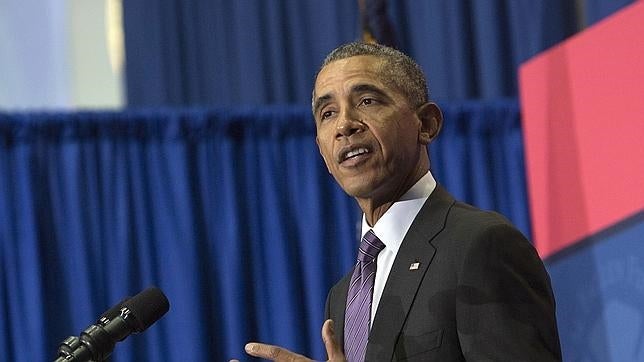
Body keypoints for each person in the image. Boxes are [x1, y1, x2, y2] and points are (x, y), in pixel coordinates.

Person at [239, 42, 562, 361]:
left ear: (426, 124)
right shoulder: (343, 296)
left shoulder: (481, 245)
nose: (344, 125)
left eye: (366, 101)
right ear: (321, 149)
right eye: (328, 113)